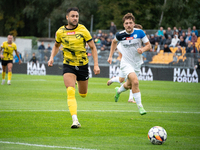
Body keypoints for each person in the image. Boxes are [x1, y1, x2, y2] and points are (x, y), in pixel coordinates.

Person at [48, 7, 100, 128]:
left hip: (82, 65)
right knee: (70, 91)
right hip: (68, 65)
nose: (75, 18)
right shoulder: (60, 32)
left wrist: (96, 65)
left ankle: (77, 81)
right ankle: (75, 120)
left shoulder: (83, 30)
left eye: (77, 16)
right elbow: (56, 45)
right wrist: (51, 57)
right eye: (73, 16)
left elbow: (93, 47)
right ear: (67, 17)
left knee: (83, 94)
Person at [107, 13, 151, 115]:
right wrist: (110, 56)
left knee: (129, 85)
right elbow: (114, 42)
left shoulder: (140, 33)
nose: (129, 25)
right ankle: (140, 107)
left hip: (137, 63)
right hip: (126, 63)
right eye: (126, 23)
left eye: (130, 23)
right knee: (135, 82)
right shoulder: (120, 35)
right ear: (124, 25)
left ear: (134, 23)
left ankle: (118, 91)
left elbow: (148, 45)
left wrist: (143, 49)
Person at [107, 23, 144, 104]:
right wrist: (121, 58)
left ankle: (129, 97)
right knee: (123, 80)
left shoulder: (138, 40)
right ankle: (113, 80)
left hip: (134, 63)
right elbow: (119, 48)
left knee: (131, 82)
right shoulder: (124, 39)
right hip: (125, 63)